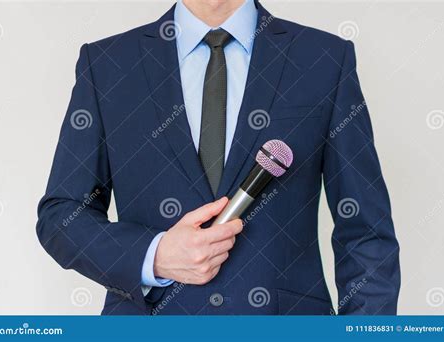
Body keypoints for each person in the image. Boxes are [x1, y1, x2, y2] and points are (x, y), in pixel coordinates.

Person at [37, 0, 400, 315]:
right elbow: (62, 216)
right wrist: (154, 254)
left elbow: (365, 231)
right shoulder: (108, 64)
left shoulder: (324, 58)